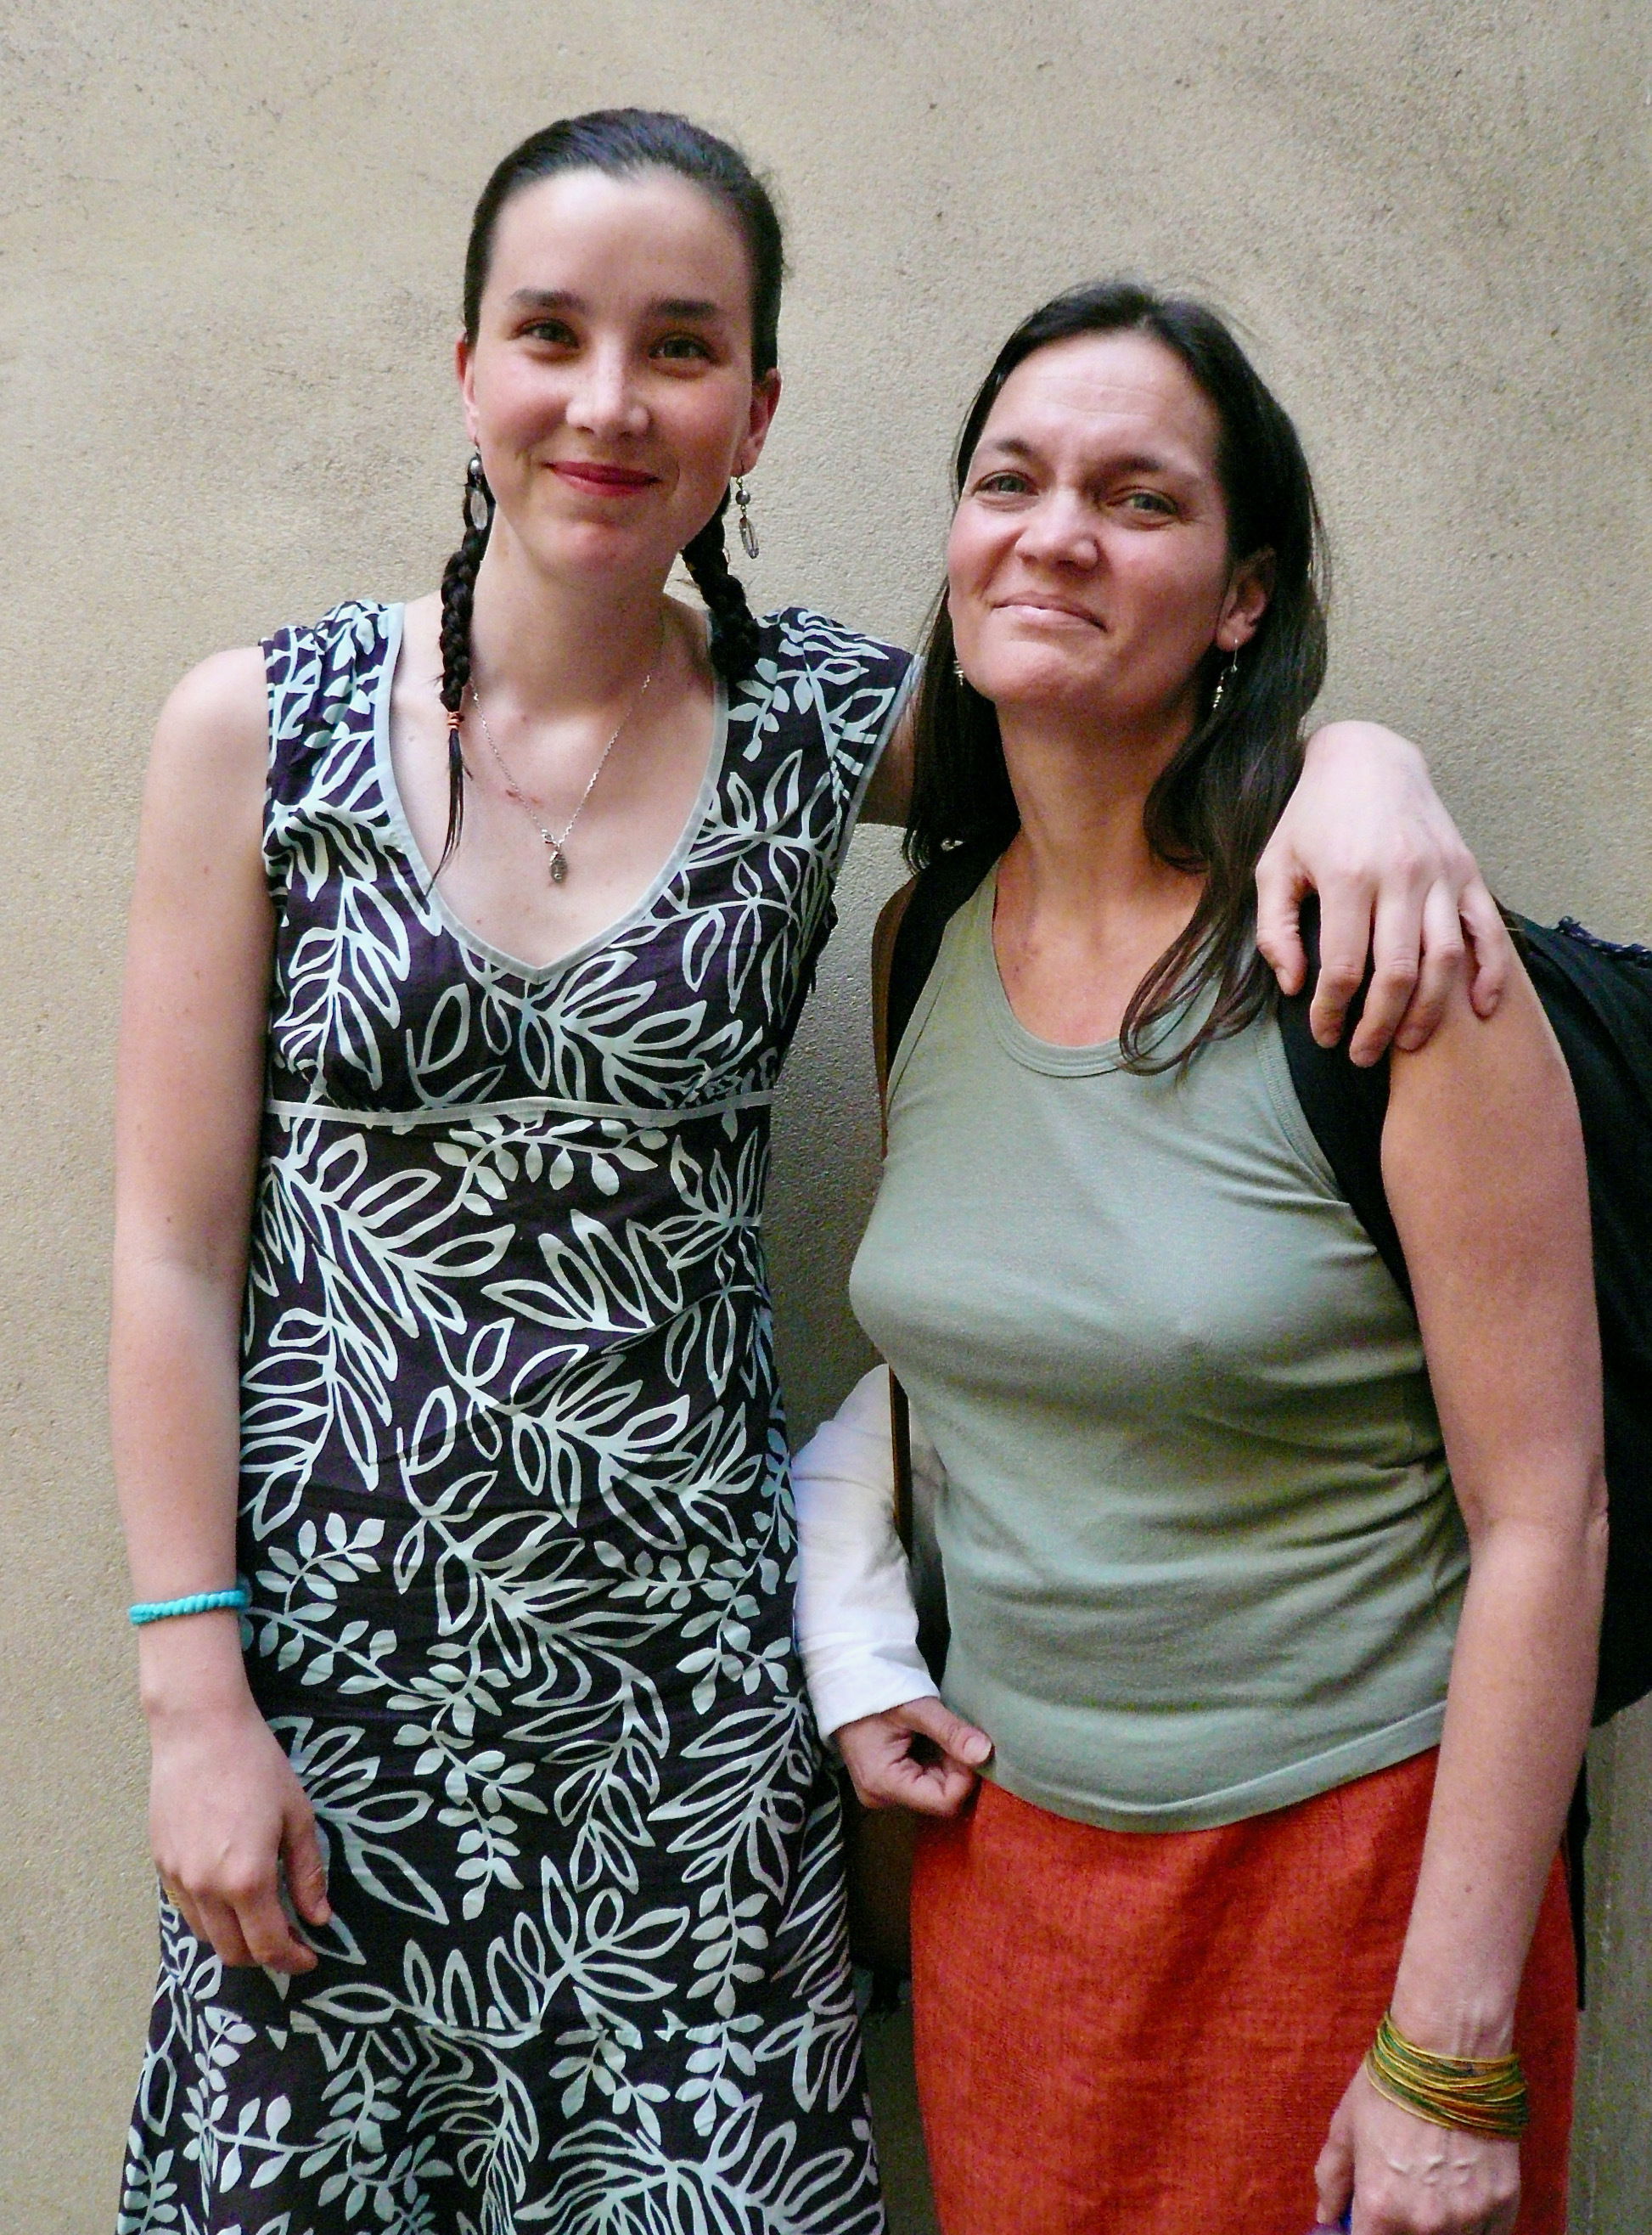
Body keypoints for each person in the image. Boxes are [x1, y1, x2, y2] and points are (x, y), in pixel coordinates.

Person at [111, 103, 1509, 2232]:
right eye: (550, 333)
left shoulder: (824, 724)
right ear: (468, 370)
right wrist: (190, 1693)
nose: (609, 400)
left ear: (756, 412)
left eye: (681, 347)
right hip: (322, 1717)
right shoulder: (256, 727)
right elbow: (169, 1254)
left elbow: (1127, 717)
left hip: (686, 1711)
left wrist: (1362, 760)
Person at [796, 282, 1604, 2235]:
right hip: (1016, 1897)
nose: (1053, 533)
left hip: (1355, 1891)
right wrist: (854, 1637)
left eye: (1136, 497)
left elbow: (1544, 1518)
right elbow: (992, 1356)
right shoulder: (921, 945)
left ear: (1242, 597)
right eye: (1008, 481)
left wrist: (1445, 2050)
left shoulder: (1391, 966)